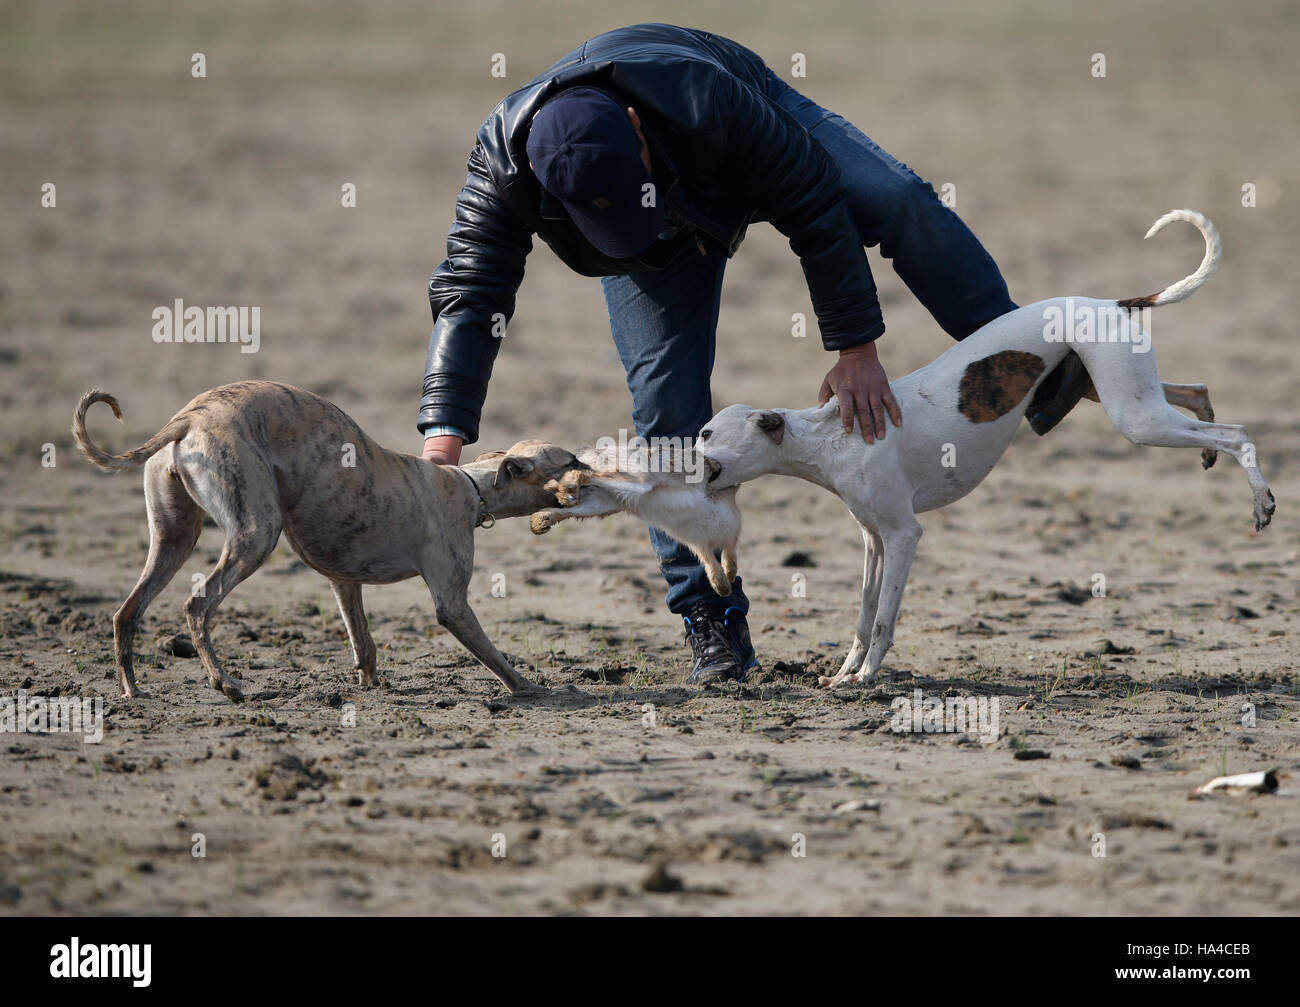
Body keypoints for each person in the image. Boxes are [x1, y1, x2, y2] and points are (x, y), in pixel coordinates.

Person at [418, 24, 1087, 684]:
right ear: (541, 177)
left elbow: (814, 200)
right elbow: (470, 295)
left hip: (743, 125)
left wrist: (855, 347)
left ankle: (1038, 359)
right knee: (666, 405)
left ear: (635, 125)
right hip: (659, 258)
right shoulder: (504, 164)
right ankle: (709, 618)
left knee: (901, 201)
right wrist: (440, 454)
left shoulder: (704, 97)